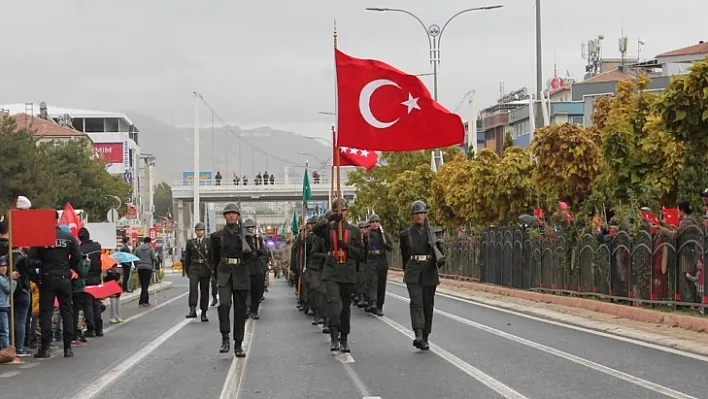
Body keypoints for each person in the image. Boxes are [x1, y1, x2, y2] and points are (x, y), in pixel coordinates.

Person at [28, 211, 84, 358]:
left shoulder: (40, 238)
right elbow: (78, 256)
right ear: (57, 220)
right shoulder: (68, 237)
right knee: (67, 311)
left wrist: (36, 277)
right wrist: (68, 267)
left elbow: (29, 261)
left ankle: (45, 348)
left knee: (46, 312)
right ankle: (67, 348)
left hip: (47, 277)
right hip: (64, 277)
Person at [312, 198, 363, 353]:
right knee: (334, 305)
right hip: (332, 270)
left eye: (342, 210)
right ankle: (334, 336)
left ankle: (344, 338)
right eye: (336, 211)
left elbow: (361, 253)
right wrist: (331, 219)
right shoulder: (328, 229)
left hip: (347, 270)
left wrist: (347, 247)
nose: (340, 213)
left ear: (347, 212)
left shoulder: (354, 230)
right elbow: (316, 229)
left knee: (345, 307)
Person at [399, 200, 445, 351]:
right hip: (413, 270)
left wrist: (437, 252)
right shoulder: (406, 234)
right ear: (412, 216)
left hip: (429, 270)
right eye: (416, 213)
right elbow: (404, 255)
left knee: (428, 304)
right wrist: (406, 270)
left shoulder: (433, 233)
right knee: (416, 302)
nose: (419, 216)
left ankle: (425, 336)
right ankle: (418, 333)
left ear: (426, 215)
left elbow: (441, 254)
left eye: (422, 213)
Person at [211, 203, 251, 357]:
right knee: (225, 305)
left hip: (240, 274)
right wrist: (216, 275)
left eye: (234, 213)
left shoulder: (245, 235)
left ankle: (238, 344)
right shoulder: (217, 236)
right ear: (225, 216)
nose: (231, 215)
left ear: (238, 216)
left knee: (240, 311)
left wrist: (245, 242)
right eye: (228, 213)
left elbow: (251, 256)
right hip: (224, 273)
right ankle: (225, 338)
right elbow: (214, 258)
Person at [364, 214, 393, 316]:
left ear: (379, 223)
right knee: (373, 282)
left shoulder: (384, 234)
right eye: (372, 222)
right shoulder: (367, 235)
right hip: (371, 260)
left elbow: (390, 248)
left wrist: (385, 243)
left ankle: (379, 306)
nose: (374, 224)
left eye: (376, 222)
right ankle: (373, 302)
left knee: (381, 284)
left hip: (382, 260)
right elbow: (364, 250)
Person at [78, 227, 104, 337]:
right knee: (96, 303)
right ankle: (99, 329)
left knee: (87, 304)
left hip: (86, 279)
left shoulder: (80, 250)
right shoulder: (97, 246)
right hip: (96, 278)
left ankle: (91, 328)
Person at [184, 222, 211, 322]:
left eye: (201, 230)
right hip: (194, 267)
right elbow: (187, 258)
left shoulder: (208, 242)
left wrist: (212, 269)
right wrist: (187, 270)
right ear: (195, 232)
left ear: (204, 231)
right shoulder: (191, 242)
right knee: (193, 288)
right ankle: (192, 309)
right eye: (198, 230)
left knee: (205, 291)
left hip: (205, 268)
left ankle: (204, 312)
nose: (199, 232)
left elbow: (211, 257)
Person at [243, 218, 265, 319]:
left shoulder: (258, 239)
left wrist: (258, 252)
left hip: (256, 268)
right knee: (246, 291)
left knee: (257, 291)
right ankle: (247, 309)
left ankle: (254, 310)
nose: (250, 229)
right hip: (246, 267)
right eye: (248, 227)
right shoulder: (242, 239)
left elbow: (264, 251)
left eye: (251, 227)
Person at [134, 237, 158, 307]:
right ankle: (142, 302)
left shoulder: (138, 248)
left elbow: (134, 257)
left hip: (140, 268)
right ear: (149, 242)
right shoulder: (151, 248)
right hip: (148, 267)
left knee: (143, 284)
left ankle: (146, 301)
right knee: (145, 285)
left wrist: (136, 265)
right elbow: (154, 258)